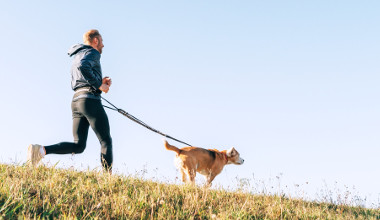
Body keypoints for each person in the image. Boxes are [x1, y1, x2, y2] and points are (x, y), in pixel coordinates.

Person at [27, 29, 113, 172]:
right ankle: (109, 179)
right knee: (106, 141)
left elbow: (81, 74)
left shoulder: (79, 54)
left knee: (79, 145)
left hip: (77, 101)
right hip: (90, 100)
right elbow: (84, 66)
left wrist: (99, 82)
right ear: (96, 40)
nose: (103, 45)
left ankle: (40, 151)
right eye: (102, 41)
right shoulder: (93, 52)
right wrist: (99, 85)